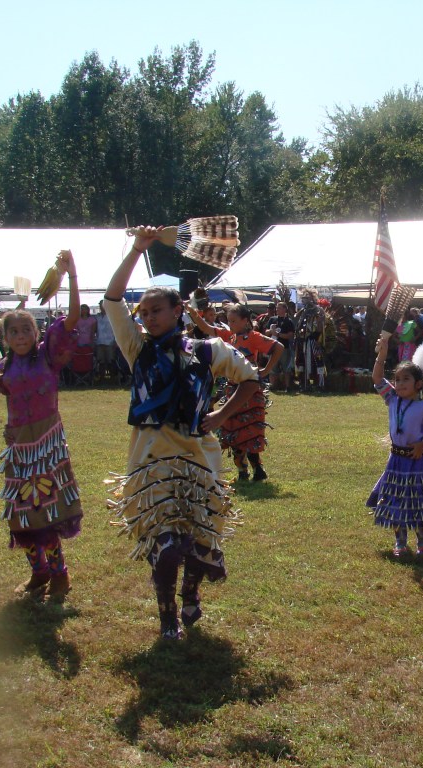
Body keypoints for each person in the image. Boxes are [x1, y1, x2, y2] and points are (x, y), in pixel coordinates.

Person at [103, 226, 261, 640]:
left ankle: (191, 592)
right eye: (145, 313)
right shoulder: (137, 348)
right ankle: (166, 614)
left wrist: (223, 414)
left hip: (197, 455)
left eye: (156, 310)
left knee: (194, 540)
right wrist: (139, 249)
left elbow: (250, 380)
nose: (148, 317)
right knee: (166, 544)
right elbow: (113, 298)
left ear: (177, 311)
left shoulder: (208, 350)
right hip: (151, 459)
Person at [0, 251, 82, 601]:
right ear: (5, 337)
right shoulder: (4, 369)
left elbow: (73, 318)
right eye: (13, 331)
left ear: (35, 332)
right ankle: (39, 572)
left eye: (26, 329)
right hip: (19, 446)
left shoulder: (47, 355)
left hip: (47, 443)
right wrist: (10, 431)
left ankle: (60, 572)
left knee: (46, 510)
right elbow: (11, 400)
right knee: (22, 515)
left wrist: (72, 276)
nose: (20, 335)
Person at [367, 334, 423, 557]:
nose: (399, 384)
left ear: (418, 384)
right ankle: (400, 541)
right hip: (396, 461)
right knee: (395, 500)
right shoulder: (392, 399)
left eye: (405, 379)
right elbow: (377, 379)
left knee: (419, 500)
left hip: (416, 462)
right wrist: (382, 356)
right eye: (398, 379)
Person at [189, 303, 282, 482]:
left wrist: (265, 370)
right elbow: (206, 328)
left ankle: (258, 468)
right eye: (228, 320)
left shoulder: (253, 337)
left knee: (251, 430)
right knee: (232, 429)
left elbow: (278, 348)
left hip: (250, 391)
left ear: (245, 321)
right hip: (232, 390)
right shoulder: (228, 336)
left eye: (233, 320)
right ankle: (242, 471)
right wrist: (194, 314)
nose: (230, 324)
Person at [265, 301, 295, 392]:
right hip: (272, 347)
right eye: (277, 308)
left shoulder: (289, 321)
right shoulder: (272, 319)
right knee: (272, 367)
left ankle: (287, 386)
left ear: (285, 309)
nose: (277, 309)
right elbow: (266, 332)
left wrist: (278, 334)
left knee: (286, 368)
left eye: (279, 308)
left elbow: (290, 335)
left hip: (284, 348)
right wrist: (271, 332)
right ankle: (273, 385)